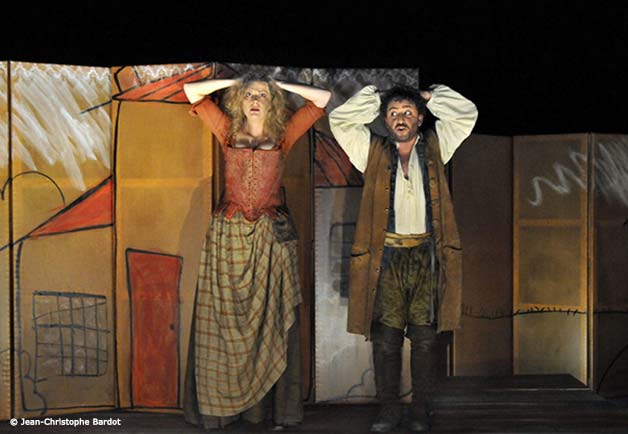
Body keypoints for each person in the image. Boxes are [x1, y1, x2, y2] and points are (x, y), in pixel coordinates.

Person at [181, 73, 331, 430]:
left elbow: (322, 99)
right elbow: (191, 92)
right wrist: (237, 80)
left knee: (271, 319)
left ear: (272, 102)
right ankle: (222, 408)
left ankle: (270, 411)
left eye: (262, 95)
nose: (254, 100)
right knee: (223, 318)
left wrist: (277, 85)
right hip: (228, 236)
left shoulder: (283, 135)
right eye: (248, 95)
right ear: (239, 99)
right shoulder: (227, 132)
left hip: (269, 237)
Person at [329, 83, 477, 432]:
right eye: (394, 113)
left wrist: (429, 96)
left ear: (420, 119)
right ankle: (389, 410)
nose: (400, 118)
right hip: (387, 258)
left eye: (408, 113)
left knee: (424, 339)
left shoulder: (438, 146)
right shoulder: (371, 151)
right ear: (385, 119)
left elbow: (466, 114)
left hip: (425, 256)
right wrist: (375, 98)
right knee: (386, 339)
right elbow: (340, 121)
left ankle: (421, 410)